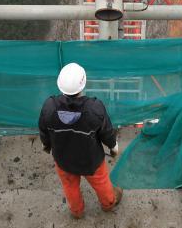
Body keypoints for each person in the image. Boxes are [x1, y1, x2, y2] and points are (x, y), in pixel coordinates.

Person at [38, 62, 122, 219]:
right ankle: (108, 203)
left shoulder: (49, 108)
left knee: (70, 186)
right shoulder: (94, 109)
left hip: (63, 161)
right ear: (83, 84)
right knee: (102, 183)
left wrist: (46, 145)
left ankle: (77, 211)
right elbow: (107, 133)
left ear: (60, 86)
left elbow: (44, 132)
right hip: (91, 161)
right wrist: (113, 147)